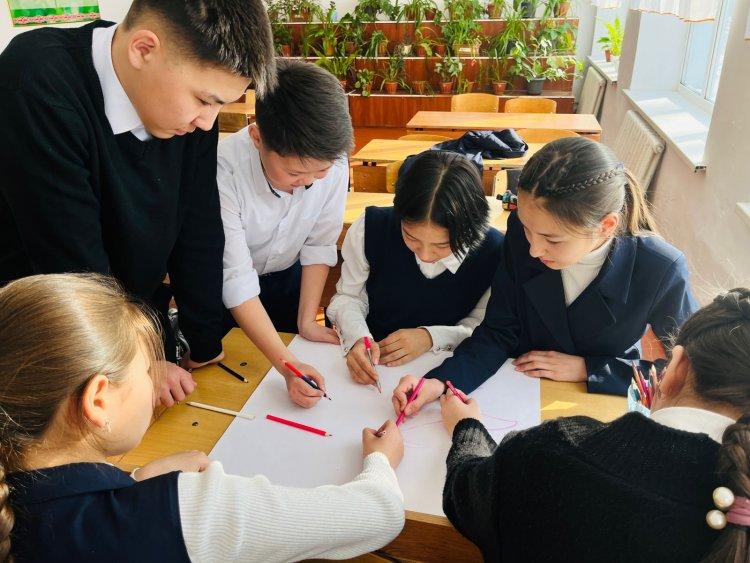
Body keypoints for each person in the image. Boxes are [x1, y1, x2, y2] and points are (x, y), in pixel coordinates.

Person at [0, 273, 405, 562]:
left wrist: (135, 483)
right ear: (98, 401)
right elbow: (379, 514)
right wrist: (381, 461)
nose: (154, 384)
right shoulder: (189, 511)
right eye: (147, 371)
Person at [0, 0, 276, 407]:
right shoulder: (36, 80)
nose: (208, 121)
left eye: (221, 104)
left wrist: (203, 342)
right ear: (143, 49)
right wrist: (137, 363)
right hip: (48, 335)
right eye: (205, 100)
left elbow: (197, 225)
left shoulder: (186, 111)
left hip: (128, 320)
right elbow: (73, 264)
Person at [392, 137, 697, 420]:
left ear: (606, 225)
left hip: (600, 403)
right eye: (527, 228)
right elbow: (498, 332)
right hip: (517, 387)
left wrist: (588, 369)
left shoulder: (660, 267)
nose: (534, 249)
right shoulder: (522, 235)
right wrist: (441, 382)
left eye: (553, 239)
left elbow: (689, 373)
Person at [438, 287, 750, 562]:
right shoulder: (735, 512)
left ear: (677, 367)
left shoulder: (552, 452)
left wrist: (467, 428)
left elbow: (465, 495)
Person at [217, 59, 353, 408]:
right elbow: (236, 278)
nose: (307, 182)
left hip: (289, 280)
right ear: (257, 137)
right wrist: (289, 366)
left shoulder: (333, 161)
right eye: (294, 173)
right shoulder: (223, 169)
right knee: (236, 390)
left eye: (319, 172)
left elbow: (320, 242)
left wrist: (307, 320)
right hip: (226, 296)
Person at [327, 151, 503, 388]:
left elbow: (484, 328)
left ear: (470, 228)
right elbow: (348, 297)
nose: (425, 255)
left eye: (442, 245)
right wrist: (357, 337)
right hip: (376, 359)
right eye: (411, 238)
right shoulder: (371, 228)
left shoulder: (493, 251)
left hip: (447, 369)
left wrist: (430, 337)